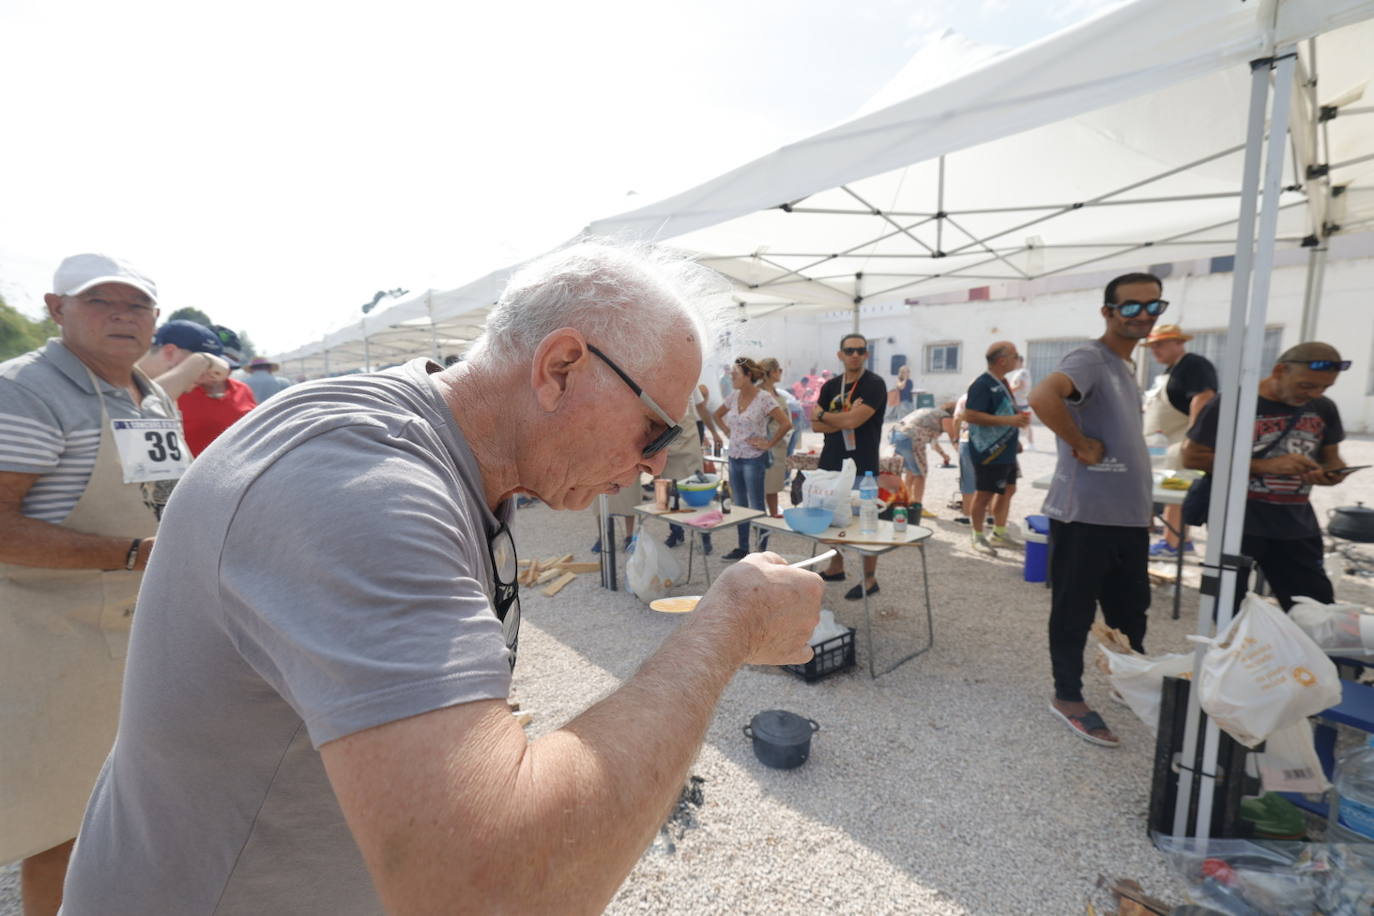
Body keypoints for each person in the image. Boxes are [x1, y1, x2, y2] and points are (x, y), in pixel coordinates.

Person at [60, 241, 823, 915]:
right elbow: (494, 892)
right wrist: (726, 630)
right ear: (560, 369)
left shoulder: (449, 457)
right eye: (657, 427)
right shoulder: (360, 486)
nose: (658, 460)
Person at [0, 253, 181, 916]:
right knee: (62, 826)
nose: (121, 317)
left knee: (135, 815)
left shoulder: (148, 392)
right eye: (100, 302)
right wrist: (133, 552)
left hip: (135, 634)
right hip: (51, 640)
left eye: (136, 306)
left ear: (155, 319)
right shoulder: (23, 391)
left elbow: (156, 494)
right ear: (57, 309)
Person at [1028, 272, 1162, 748]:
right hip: (1084, 516)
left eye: (1153, 306)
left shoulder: (1126, 367)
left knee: (1132, 611)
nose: (1143, 314)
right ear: (1108, 312)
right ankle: (1068, 697)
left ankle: (1131, 682)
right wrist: (1081, 442)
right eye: (1130, 306)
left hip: (1125, 518)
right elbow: (1042, 397)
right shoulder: (1090, 357)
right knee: (1073, 611)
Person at [1183, 342, 1353, 610]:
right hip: (1238, 522)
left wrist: (1331, 472)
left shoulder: (1323, 408)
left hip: (1296, 524)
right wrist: (1265, 466)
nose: (1314, 394)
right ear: (1279, 370)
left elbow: (1332, 457)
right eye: (1306, 385)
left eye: (1324, 388)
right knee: (1228, 611)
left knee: (1316, 611)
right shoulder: (1232, 403)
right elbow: (1192, 457)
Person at [811, 333, 887, 600]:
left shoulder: (874, 384)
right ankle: (836, 566)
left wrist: (828, 416)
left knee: (865, 523)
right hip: (831, 462)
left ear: (866, 354)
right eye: (849, 350)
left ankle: (869, 579)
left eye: (860, 350)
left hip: (862, 466)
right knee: (832, 519)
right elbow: (814, 424)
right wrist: (839, 418)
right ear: (840, 354)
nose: (855, 354)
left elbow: (853, 422)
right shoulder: (831, 386)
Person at [1142, 324, 1217, 557]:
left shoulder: (1193, 365)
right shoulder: (1168, 371)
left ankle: (1172, 543)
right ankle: (1178, 539)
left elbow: (1202, 398)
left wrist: (1193, 437)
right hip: (1162, 446)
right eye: (1153, 346)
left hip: (1179, 443)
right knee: (1170, 491)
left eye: (1161, 344)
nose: (1155, 350)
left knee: (1176, 492)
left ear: (1179, 342)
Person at [137, 319, 258, 456]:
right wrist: (198, 363)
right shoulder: (122, 384)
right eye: (205, 367)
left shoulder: (242, 389)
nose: (207, 375)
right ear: (170, 352)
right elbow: (141, 410)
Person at [714, 356, 790, 558]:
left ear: (748, 375)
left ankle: (761, 550)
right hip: (734, 456)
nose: (731, 378)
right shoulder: (733, 396)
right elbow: (716, 415)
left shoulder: (763, 398)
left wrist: (769, 443)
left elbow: (785, 423)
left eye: (735, 374)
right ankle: (743, 547)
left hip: (754, 458)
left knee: (756, 504)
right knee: (739, 504)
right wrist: (728, 432)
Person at [962, 342, 1028, 555]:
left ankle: (999, 533)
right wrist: (1009, 419)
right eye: (1014, 355)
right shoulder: (982, 384)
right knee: (984, 494)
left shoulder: (1003, 382)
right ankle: (977, 536)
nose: (1017, 359)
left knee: (1009, 488)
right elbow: (970, 415)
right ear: (1001, 360)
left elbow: (1005, 411)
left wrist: (1015, 428)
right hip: (989, 450)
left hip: (1006, 448)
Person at [890, 401, 955, 520]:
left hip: (896, 435)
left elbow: (934, 443)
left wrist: (943, 455)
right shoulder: (946, 417)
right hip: (912, 438)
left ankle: (906, 500)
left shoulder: (932, 412)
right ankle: (917, 506)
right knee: (920, 473)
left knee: (910, 471)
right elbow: (953, 437)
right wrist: (959, 453)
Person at [757, 357, 797, 518]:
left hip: (779, 442)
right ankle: (758, 515)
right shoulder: (760, 393)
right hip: (768, 442)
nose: (781, 372)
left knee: (773, 484)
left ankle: (773, 513)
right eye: (779, 369)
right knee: (762, 483)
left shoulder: (775, 392)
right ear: (771, 372)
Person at [1005, 354, 1033, 447]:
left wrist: (1008, 390)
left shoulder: (1021, 373)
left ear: (1019, 362)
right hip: (1021, 401)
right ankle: (1030, 443)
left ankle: (1028, 443)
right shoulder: (1023, 372)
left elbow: (1020, 385)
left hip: (1019, 401)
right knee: (1024, 423)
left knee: (1017, 423)